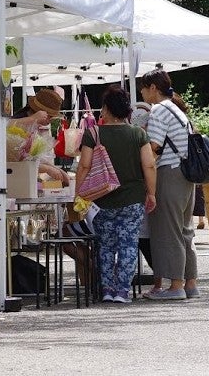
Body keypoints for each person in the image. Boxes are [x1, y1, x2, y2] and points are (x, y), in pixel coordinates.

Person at [74, 86, 156, 304]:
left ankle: (108, 290)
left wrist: (79, 193)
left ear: (106, 109)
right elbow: (149, 165)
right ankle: (122, 291)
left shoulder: (93, 134)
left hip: (102, 200)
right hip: (133, 199)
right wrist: (152, 193)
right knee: (128, 244)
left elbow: (84, 166)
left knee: (105, 245)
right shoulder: (138, 133)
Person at [139, 69, 199, 300]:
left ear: (153, 88)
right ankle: (190, 283)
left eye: (144, 88)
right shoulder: (176, 109)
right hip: (185, 174)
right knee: (185, 230)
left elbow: (154, 147)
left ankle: (175, 286)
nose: (143, 93)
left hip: (170, 173)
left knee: (169, 231)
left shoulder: (159, 110)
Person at [11, 89, 69, 184]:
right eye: (49, 116)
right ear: (39, 113)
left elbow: (36, 158)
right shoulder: (18, 126)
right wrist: (47, 169)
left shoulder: (34, 127)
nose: (49, 121)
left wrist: (59, 171)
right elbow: (18, 161)